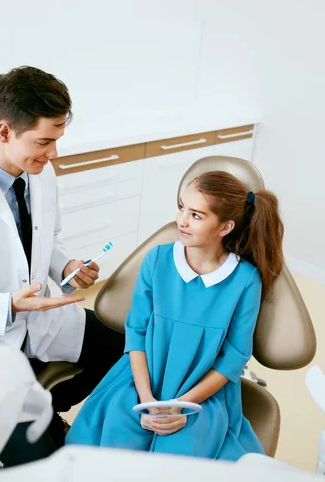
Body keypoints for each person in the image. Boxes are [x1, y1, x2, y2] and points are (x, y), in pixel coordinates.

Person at [0, 66, 124, 464]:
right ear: (4, 132)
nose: (53, 154)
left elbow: (44, 238)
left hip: (41, 322)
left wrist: (65, 266)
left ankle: (51, 407)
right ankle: (38, 425)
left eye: (57, 141)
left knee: (132, 345)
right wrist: (8, 306)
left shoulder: (40, 172)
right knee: (40, 465)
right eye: (45, 142)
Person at [66, 170, 284, 460]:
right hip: (141, 381)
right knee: (118, 442)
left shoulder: (244, 280)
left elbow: (234, 356)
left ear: (224, 227)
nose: (181, 220)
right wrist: (145, 400)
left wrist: (181, 404)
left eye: (196, 215)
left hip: (200, 396)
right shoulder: (157, 260)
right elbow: (137, 333)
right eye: (182, 207)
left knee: (180, 455)